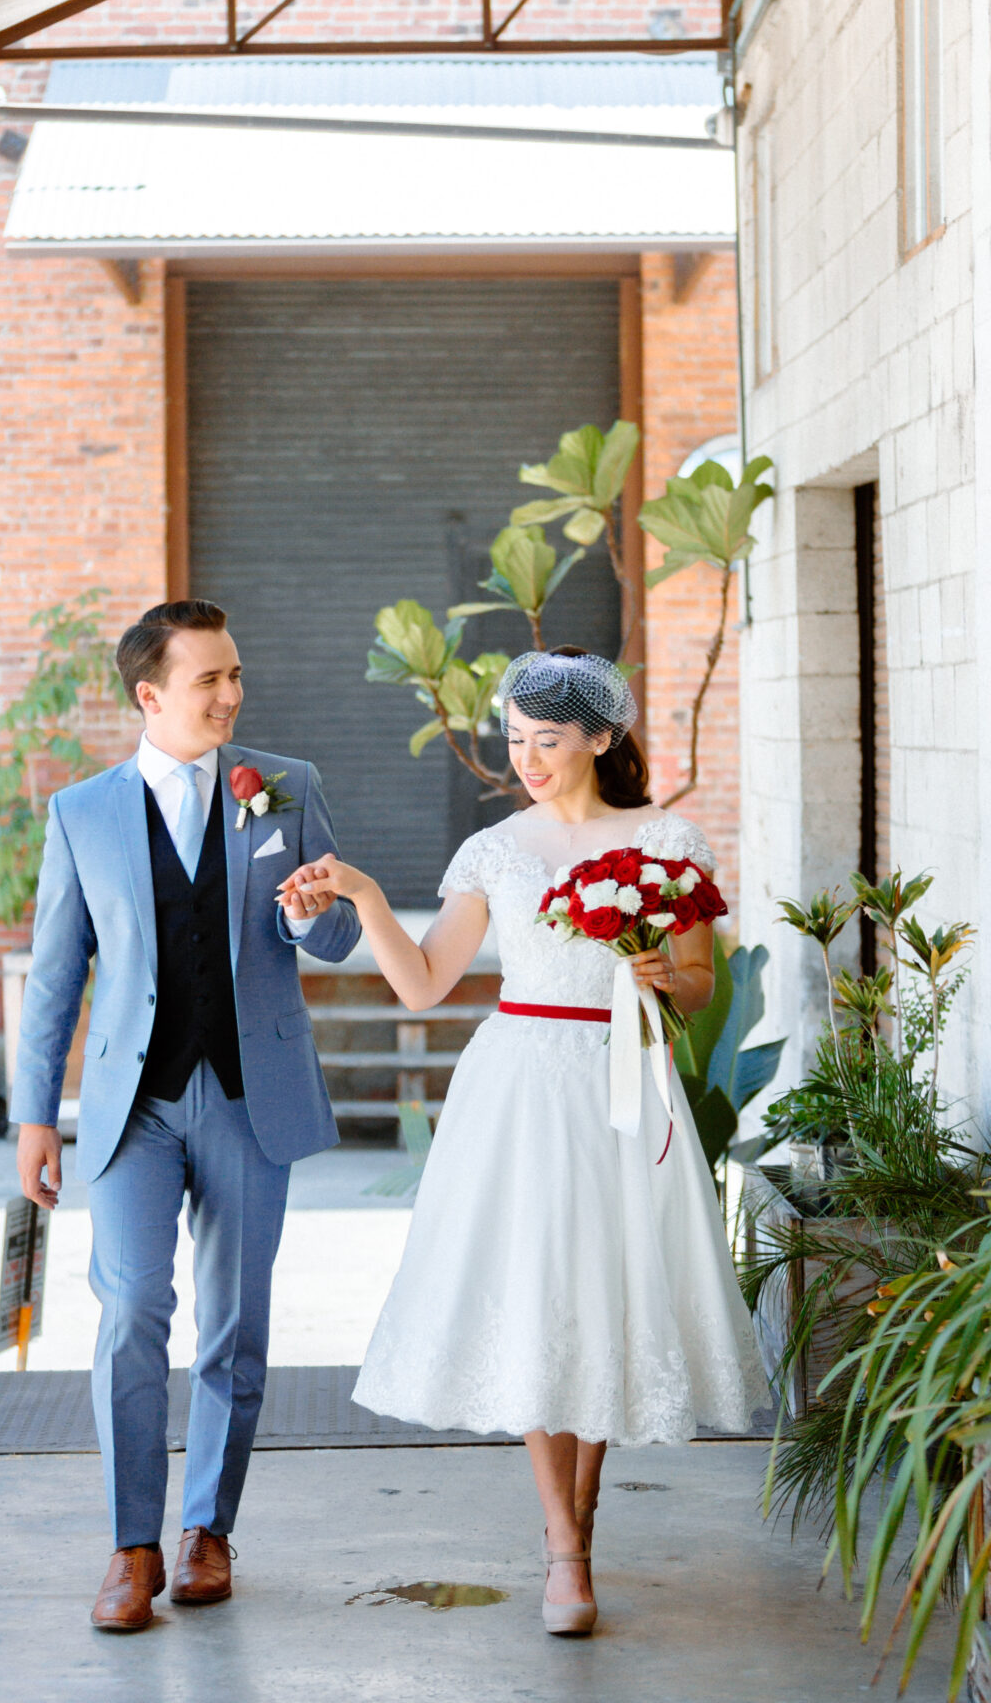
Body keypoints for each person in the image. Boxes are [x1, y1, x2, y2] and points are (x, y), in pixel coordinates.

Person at [280, 646, 769, 1639]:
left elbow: (700, 981)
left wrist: (657, 978)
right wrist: (369, 899)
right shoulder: (494, 852)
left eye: (548, 739)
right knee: (540, 1297)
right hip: (518, 1087)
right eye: (515, 739)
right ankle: (565, 1548)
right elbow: (423, 984)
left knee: (607, 1296)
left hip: (624, 1081)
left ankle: (579, 1522)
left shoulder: (668, 838)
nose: (529, 758)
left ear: (601, 737)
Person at [10, 599, 360, 1633]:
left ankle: (207, 1529)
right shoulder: (81, 812)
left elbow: (338, 936)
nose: (231, 696)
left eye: (235, 675)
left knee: (236, 1325)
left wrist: (314, 913)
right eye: (208, 680)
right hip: (135, 1107)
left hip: (256, 1101)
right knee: (129, 1317)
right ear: (149, 694)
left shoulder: (288, 788)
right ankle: (130, 1547)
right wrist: (37, 1115)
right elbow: (56, 976)